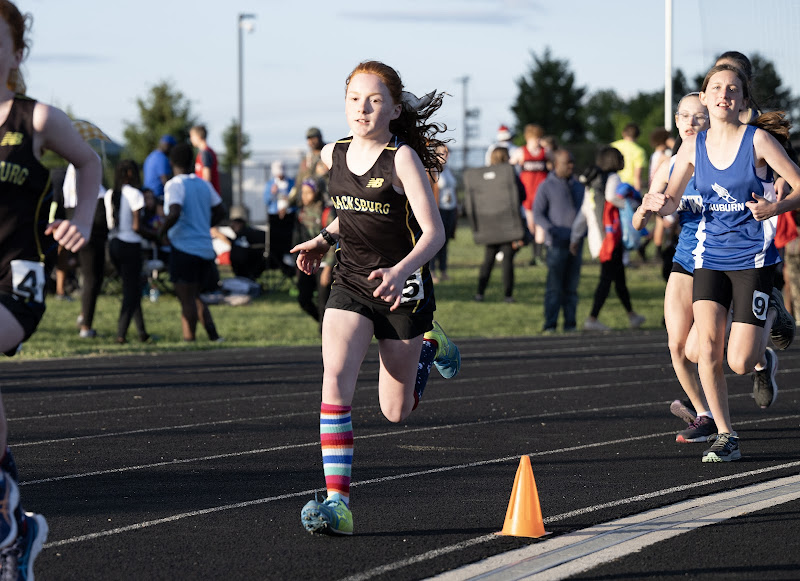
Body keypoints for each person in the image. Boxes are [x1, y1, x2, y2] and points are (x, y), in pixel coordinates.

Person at [291, 60, 461, 536]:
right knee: (334, 382)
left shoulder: (402, 158)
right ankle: (338, 504)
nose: (362, 109)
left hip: (403, 286)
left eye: (374, 100)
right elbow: (354, 213)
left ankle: (428, 346)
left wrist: (402, 269)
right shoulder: (334, 153)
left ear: (393, 108)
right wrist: (323, 240)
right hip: (350, 282)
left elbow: (434, 233)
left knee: (395, 410)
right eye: (354, 99)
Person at [643, 64, 800, 462]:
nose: (723, 95)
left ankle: (769, 314)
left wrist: (776, 206)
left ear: (743, 101)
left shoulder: (758, 141)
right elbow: (673, 201)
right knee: (703, 349)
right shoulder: (693, 147)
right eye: (716, 88)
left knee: (740, 361)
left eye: (732, 89)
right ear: (706, 96)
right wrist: (657, 205)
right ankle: (726, 434)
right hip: (708, 259)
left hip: (753, 259)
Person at [0, 0, 103, 576]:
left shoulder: (35, 119)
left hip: (18, 279)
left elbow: (89, 164)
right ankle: (12, 526)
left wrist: (82, 219)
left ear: (16, 53)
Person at [633, 93, 712, 443]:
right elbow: (640, 220)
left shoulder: (724, 159)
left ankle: (759, 342)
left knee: (709, 348)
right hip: (685, 259)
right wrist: (644, 209)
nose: (692, 123)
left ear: (710, 120)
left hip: (724, 261)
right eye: (686, 116)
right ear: (677, 122)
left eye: (699, 116)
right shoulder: (668, 166)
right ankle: (705, 415)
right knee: (676, 346)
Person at [160, 142, 225, 342]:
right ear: (191, 162)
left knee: (186, 298)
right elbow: (220, 210)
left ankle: (190, 339)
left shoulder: (174, 184)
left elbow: (174, 212)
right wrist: (205, 224)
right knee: (196, 296)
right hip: (205, 248)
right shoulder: (203, 184)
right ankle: (214, 336)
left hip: (184, 247)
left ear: (171, 162)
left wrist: (161, 232)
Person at [583, 147, 647, 331]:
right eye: (621, 157)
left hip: (600, 234)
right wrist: (630, 204)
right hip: (611, 236)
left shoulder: (592, 181)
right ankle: (592, 318)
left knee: (618, 277)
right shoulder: (612, 178)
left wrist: (576, 234)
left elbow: (585, 209)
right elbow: (612, 196)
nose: (623, 160)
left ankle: (632, 315)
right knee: (607, 277)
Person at [533, 149, 585, 332]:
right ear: (556, 164)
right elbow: (537, 213)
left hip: (576, 244)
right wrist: (552, 231)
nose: (571, 166)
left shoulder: (579, 185)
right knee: (554, 288)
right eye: (566, 163)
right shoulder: (546, 186)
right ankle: (550, 325)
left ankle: (570, 325)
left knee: (571, 288)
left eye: (572, 162)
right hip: (556, 245)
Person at [469, 147, 526, 303]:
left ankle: (480, 293)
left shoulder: (482, 177)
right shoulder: (510, 174)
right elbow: (522, 194)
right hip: (507, 221)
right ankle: (508, 295)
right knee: (507, 260)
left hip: (488, 223)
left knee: (488, 259)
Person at [104, 160, 150, 344]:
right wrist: (155, 236)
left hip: (113, 244)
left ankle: (142, 333)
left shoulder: (110, 194)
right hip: (130, 244)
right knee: (131, 292)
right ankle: (121, 333)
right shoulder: (135, 194)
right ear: (131, 173)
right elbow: (137, 226)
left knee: (132, 288)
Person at [62, 163, 108, 339]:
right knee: (91, 278)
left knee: (89, 277)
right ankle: (86, 325)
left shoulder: (71, 174)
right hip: (91, 230)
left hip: (78, 222)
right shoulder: (84, 168)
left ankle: (84, 317)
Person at [293, 179, 334, 325]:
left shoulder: (327, 212)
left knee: (324, 303)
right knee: (303, 299)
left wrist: (328, 269)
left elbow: (333, 241)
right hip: (308, 262)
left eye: (308, 192)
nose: (304, 196)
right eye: (303, 192)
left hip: (324, 265)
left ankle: (325, 334)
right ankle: (324, 325)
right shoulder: (301, 213)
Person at [511, 124, 549, 266]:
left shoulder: (546, 152)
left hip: (542, 195)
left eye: (539, 138)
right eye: (535, 138)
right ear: (528, 138)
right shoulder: (521, 152)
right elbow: (509, 166)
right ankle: (534, 254)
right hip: (527, 195)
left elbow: (555, 162)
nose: (537, 141)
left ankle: (538, 256)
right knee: (531, 226)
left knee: (540, 225)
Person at [430, 143, 457, 283]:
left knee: (445, 242)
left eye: (447, 153)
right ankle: (432, 272)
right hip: (438, 210)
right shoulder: (432, 170)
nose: (446, 156)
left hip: (450, 209)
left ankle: (444, 270)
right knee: (435, 242)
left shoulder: (448, 170)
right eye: (442, 153)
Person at [263, 160, 296, 274]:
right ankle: (279, 264)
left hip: (289, 216)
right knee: (276, 244)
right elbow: (266, 201)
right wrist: (272, 193)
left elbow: (295, 199)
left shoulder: (292, 182)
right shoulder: (270, 184)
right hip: (275, 217)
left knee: (289, 241)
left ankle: (290, 266)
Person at [611, 123, 647, 193]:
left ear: (623, 133)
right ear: (637, 136)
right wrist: (638, 195)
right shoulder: (639, 151)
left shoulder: (613, 146)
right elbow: (637, 177)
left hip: (612, 185)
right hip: (628, 189)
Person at [142, 135, 176, 200]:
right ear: (167, 145)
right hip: (157, 197)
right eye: (172, 147)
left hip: (149, 195)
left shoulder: (151, 155)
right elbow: (165, 180)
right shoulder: (162, 158)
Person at [189, 125, 220, 193]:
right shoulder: (207, 151)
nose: (190, 139)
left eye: (192, 136)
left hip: (208, 195)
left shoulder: (205, 153)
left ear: (198, 136)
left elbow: (206, 178)